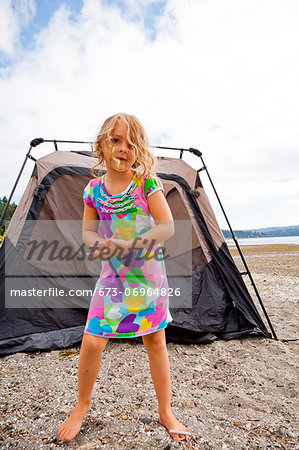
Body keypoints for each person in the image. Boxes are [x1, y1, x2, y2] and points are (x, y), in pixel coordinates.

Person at [58, 113, 191, 442]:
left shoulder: (146, 182)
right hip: (112, 280)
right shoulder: (93, 190)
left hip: (148, 280)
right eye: (116, 141)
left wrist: (130, 242)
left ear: (139, 150)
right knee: (91, 341)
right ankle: (82, 405)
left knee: (155, 341)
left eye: (131, 144)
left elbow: (167, 227)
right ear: (101, 144)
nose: (123, 149)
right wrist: (98, 245)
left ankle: (165, 410)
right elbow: (88, 232)